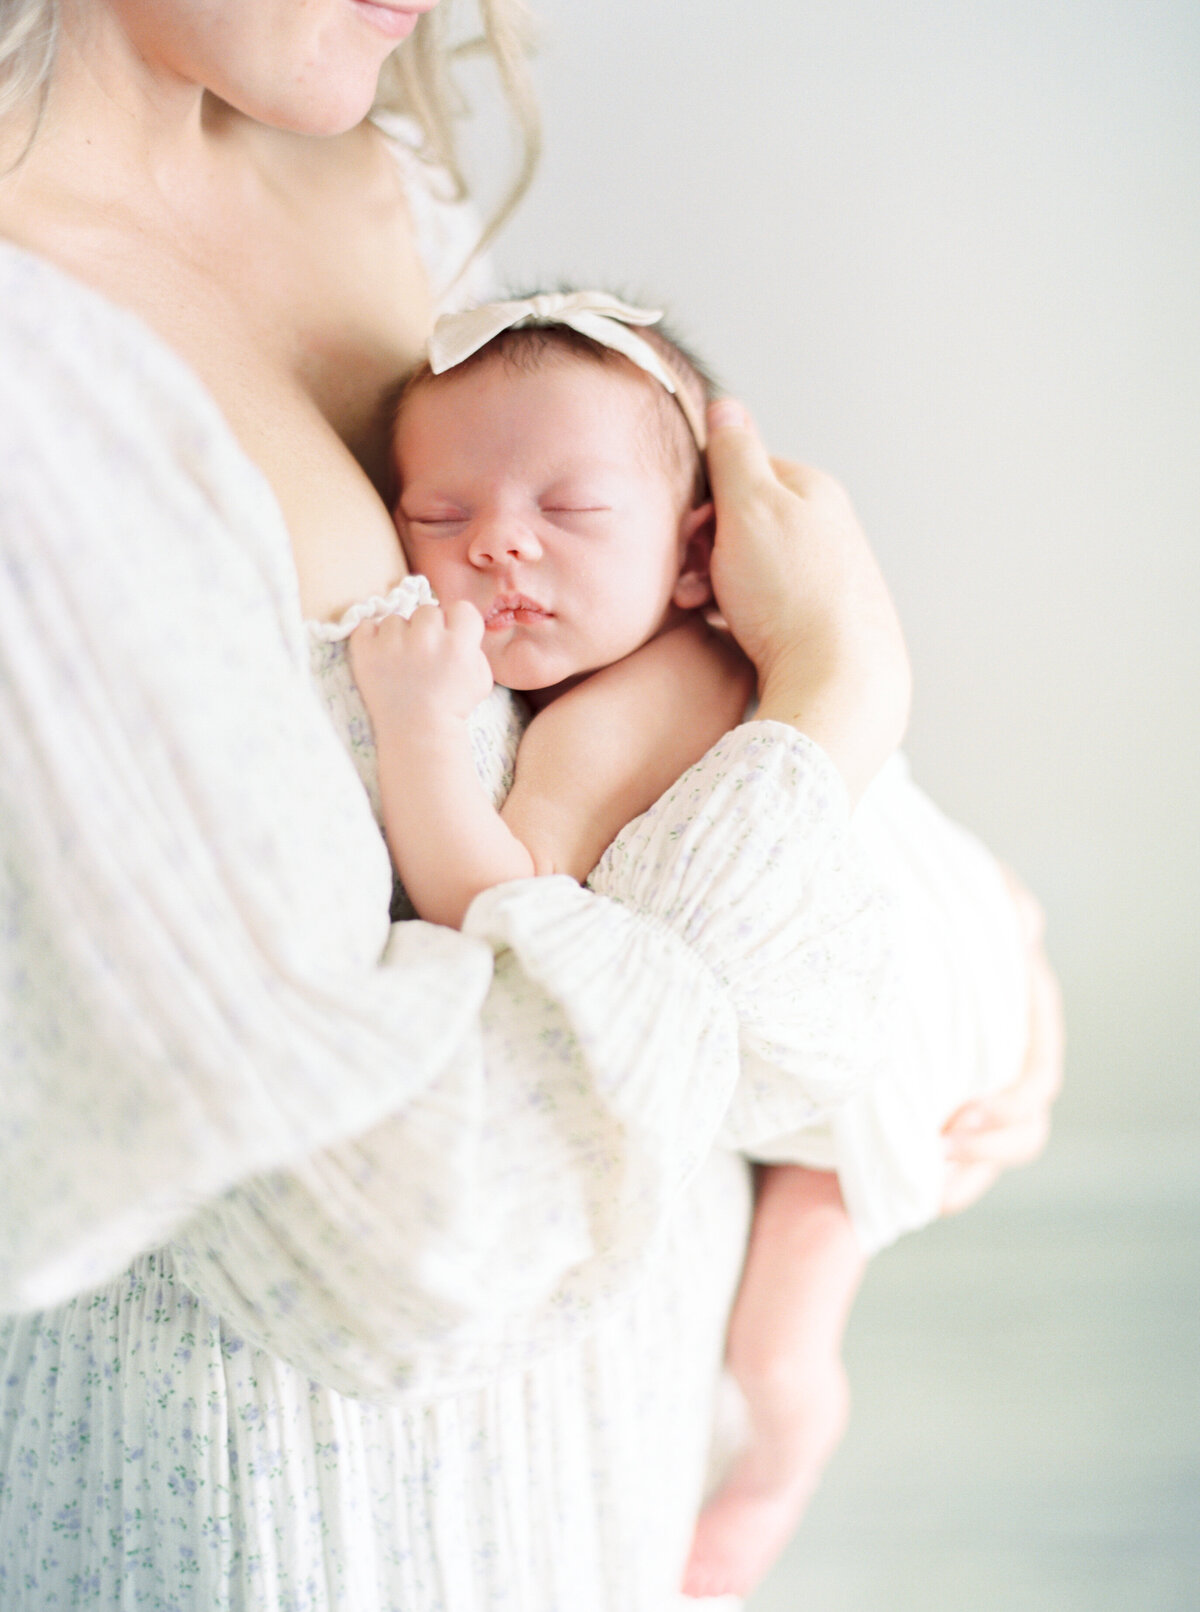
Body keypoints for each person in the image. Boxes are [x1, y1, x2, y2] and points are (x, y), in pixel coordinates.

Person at [0, 4, 1063, 1608]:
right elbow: (401, 1238)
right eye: (444, 514)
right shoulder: (37, 379)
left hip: (613, 1452)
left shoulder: (365, 167)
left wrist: (957, 925)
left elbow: (641, 686)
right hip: (296, 1527)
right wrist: (836, 697)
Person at [344, 291, 1036, 1596]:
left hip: (900, 1028)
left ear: (695, 557)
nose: (498, 543)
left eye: (574, 511)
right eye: (441, 514)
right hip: (943, 928)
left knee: (776, 1348)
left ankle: (786, 1447)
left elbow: (498, 915)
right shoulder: (670, 668)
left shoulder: (625, 706)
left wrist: (417, 729)